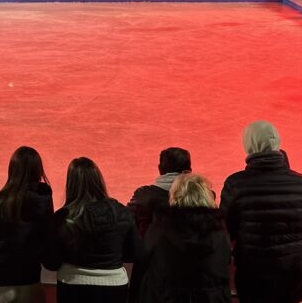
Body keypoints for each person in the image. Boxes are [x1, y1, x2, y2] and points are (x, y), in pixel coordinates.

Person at [220, 121, 302, 303]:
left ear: (249, 145)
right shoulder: (299, 182)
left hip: (253, 273)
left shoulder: (235, 184)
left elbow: (226, 228)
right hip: (294, 273)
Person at [45, 157, 139, 303]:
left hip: (72, 285)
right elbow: (133, 252)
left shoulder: (62, 216)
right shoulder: (122, 212)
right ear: (98, 180)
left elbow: (51, 262)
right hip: (114, 287)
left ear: (71, 184)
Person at [0, 146, 53, 302]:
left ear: (12, 170)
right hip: (30, 284)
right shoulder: (44, 203)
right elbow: (47, 243)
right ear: (38, 171)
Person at [131, 173, 230, 303]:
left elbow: (143, 262)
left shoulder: (159, 227)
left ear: (174, 195)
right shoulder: (220, 230)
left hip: (165, 297)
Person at [127, 147, 191, 237]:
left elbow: (126, 223)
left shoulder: (142, 195)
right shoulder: (204, 197)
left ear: (160, 169)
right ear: (189, 170)